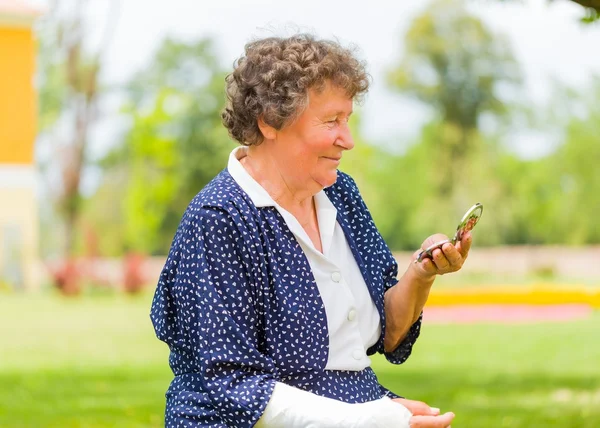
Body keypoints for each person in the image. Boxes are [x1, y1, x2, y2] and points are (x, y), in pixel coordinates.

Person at [150, 34, 472, 428]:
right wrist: (372, 420)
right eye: (331, 121)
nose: (348, 140)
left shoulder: (340, 193)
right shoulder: (220, 218)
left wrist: (422, 274)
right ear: (269, 121)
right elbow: (233, 385)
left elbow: (385, 334)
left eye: (348, 120)